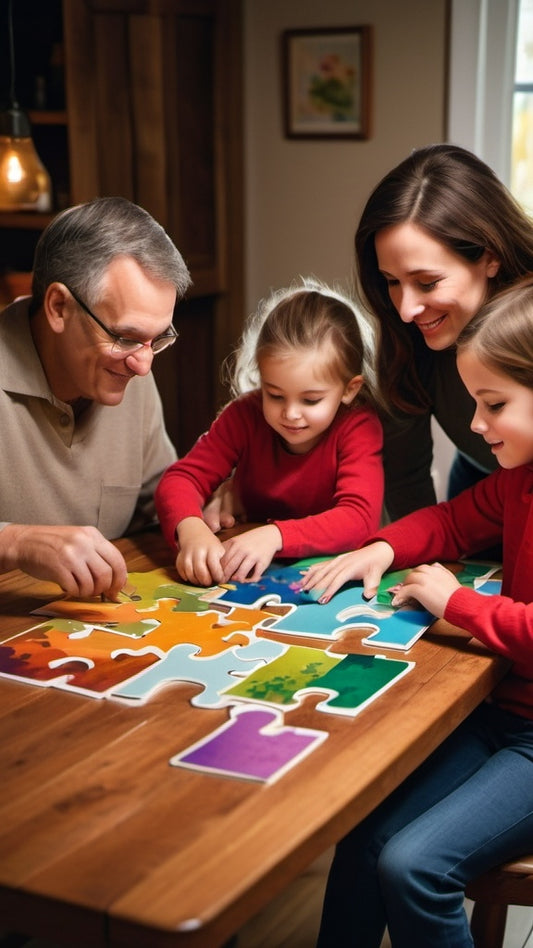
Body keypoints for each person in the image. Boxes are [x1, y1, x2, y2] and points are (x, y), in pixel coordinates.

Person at [300, 277, 533, 947]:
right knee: (364, 835)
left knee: (412, 866)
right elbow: (450, 522)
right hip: (498, 714)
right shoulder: (515, 481)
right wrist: (379, 546)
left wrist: (454, 604)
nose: (476, 424)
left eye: (493, 404)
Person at [0, 195, 192, 600]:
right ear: (58, 307)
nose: (144, 366)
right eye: (125, 337)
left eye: (158, 340)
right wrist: (14, 542)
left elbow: (160, 500)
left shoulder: (132, 363)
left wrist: (202, 510)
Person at [155, 278, 384, 587]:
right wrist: (191, 528)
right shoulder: (244, 415)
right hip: (247, 572)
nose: (290, 413)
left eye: (311, 399)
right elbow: (181, 479)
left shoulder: (358, 426)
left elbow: (359, 519)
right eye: (274, 395)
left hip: (327, 578)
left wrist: (275, 535)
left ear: (349, 389)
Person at [355, 142, 533, 520]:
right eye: (391, 281)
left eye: (428, 282)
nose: (405, 310)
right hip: (478, 495)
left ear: (490, 256)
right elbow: (405, 477)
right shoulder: (405, 336)